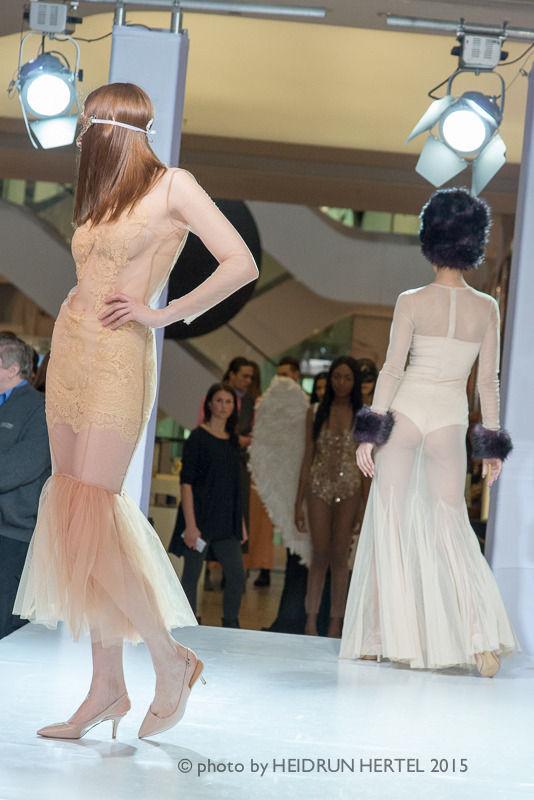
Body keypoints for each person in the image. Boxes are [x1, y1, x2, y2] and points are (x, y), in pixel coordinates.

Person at [13, 82, 258, 740]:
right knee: (73, 518)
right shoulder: (104, 193)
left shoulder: (173, 185)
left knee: (92, 510)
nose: (84, 139)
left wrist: (163, 313)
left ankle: (169, 659)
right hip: (70, 351)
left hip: (119, 358)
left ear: (115, 128)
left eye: (91, 127)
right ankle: (107, 689)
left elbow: (240, 262)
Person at [340, 188, 520, 678]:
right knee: (452, 527)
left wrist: (370, 431)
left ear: (431, 240)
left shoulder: (412, 301)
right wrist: (492, 443)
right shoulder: (487, 307)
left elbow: (392, 369)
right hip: (450, 420)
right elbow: (487, 382)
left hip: (406, 413)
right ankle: (480, 641)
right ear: (473, 242)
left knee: (391, 522)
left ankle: (382, 638)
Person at [168, 383, 247, 628]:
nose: (224, 406)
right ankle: (189, 626)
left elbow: (234, 487)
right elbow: (186, 483)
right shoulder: (197, 438)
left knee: (237, 575)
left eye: (229, 401)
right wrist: (190, 525)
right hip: (199, 518)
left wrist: (241, 523)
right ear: (209, 404)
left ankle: (231, 625)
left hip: (227, 521)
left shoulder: (233, 441)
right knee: (192, 575)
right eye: (219, 400)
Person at [295, 356, 363, 638]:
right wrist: (297, 502)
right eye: (337, 377)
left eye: (347, 378)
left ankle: (336, 622)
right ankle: (311, 620)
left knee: (340, 556)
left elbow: (366, 464)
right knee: (320, 552)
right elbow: (307, 456)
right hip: (318, 486)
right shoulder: (315, 411)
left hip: (350, 488)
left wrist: (364, 506)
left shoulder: (363, 415)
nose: (341, 383)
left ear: (355, 382)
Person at [249, 362, 311, 634]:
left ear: (297, 375)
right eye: (280, 376)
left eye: (287, 375)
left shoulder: (304, 410)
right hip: (296, 495)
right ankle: (292, 618)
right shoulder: (287, 410)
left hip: (320, 494)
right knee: (297, 558)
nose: (283, 381)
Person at [0, 335, 51, 640]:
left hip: (13, 535)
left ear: (12, 369)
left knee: (5, 625)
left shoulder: (39, 409)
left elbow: (22, 465)